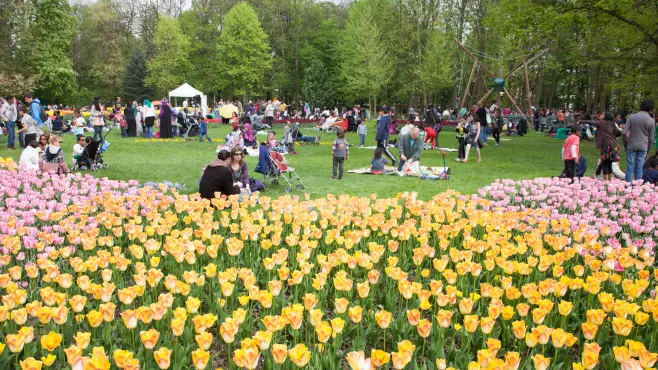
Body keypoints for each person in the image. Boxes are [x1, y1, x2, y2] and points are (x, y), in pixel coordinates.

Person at [580, 112, 621, 181]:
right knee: (609, 163)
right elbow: (620, 132)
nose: (600, 115)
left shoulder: (602, 123)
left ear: (606, 116)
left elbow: (593, 122)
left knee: (604, 163)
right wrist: (613, 136)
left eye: (602, 114)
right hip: (614, 146)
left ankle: (606, 182)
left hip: (606, 146)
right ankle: (610, 181)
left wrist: (581, 121)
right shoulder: (612, 124)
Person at [623, 100, 655, 183]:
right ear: (651, 109)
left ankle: (628, 186)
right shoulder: (651, 120)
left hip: (631, 145)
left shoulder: (632, 117)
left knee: (630, 166)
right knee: (639, 167)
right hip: (643, 146)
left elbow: (624, 132)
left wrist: (625, 144)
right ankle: (638, 187)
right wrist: (648, 151)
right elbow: (651, 139)